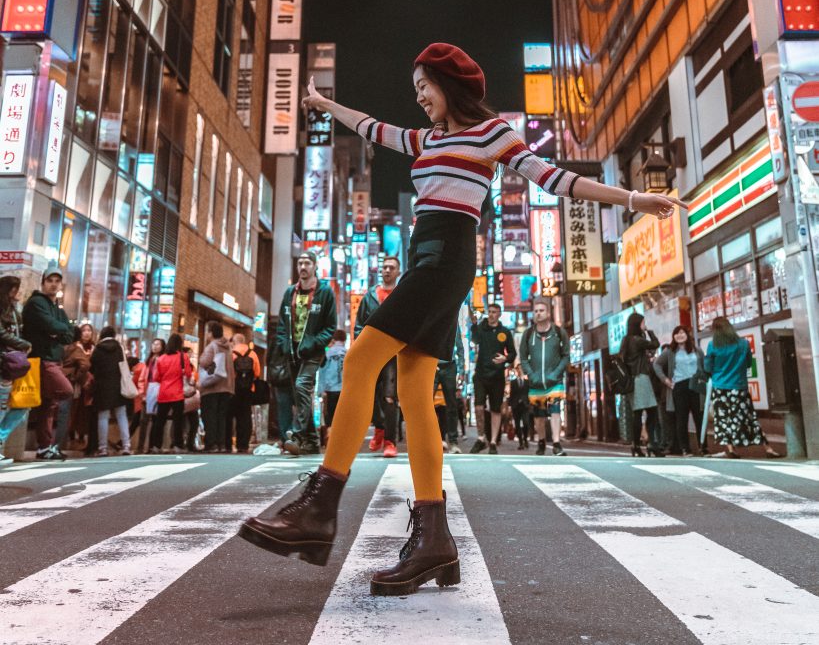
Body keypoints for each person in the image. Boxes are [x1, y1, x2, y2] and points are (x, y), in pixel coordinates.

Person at [239, 42, 685, 595]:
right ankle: (433, 540)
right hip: (425, 260)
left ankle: (319, 506)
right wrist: (325, 106)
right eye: (416, 89)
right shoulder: (427, 139)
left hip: (446, 260)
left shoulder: (492, 133)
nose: (419, 96)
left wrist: (633, 199)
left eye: (424, 84)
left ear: (449, 82)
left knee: (360, 360)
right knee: (414, 394)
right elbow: (374, 128)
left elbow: (554, 179)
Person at [276, 252, 337, 457]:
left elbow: (330, 327)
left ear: (315, 266)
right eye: (300, 263)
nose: (303, 266)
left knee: (302, 386)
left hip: (313, 352)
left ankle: (298, 435)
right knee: (300, 396)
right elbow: (282, 325)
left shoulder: (325, 292)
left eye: (307, 263)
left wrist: (314, 342)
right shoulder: (289, 293)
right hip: (292, 352)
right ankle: (312, 442)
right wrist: (283, 344)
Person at [704, 316, 781, 459]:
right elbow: (747, 364)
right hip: (739, 387)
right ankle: (768, 448)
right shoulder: (743, 344)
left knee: (723, 419)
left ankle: (731, 449)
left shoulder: (712, 345)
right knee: (750, 417)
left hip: (720, 387)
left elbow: (708, 367)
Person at [22, 268, 74, 460]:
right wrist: (57, 330)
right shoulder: (37, 303)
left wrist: (58, 331)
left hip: (53, 359)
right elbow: (54, 326)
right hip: (42, 359)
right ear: (43, 282)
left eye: (57, 281)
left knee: (49, 404)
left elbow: (69, 333)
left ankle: (45, 447)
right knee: (66, 391)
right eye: (50, 280)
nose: (53, 284)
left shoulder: (57, 308)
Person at [355, 257, 402, 458]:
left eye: (392, 268)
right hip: (371, 352)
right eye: (384, 267)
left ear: (398, 272)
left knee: (390, 397)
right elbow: (359, 325)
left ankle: (390, 441)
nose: (387, 270)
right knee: (370, 393)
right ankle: (380, 428)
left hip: (393, 353)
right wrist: (360, 345)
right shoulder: (369, 297)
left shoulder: (403, 296)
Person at [519, 297, 570, 456]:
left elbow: (566, 355)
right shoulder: (528, 334)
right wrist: (531, 375)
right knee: (539, 415)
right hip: (536, 382)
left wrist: (556, 373)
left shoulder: (559, 333)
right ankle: (541, 441)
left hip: (554, 381)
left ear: (548, 313)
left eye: (541, 310)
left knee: (555, 410)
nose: (538, 314)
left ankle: (556, 443)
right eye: (536, 311)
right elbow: (523, 358)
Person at [469, 301, 517, 455]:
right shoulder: (481, 329)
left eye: (494, 312)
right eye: (489, 311)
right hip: (481, 374)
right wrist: (475, 324)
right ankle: (481, 437)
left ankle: (494, 441)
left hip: (497, 376)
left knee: (496, 409)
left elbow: (512, 353)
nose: (491, 314)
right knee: (478, 406)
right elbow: (475, 340)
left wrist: (505, 358)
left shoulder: (505, 332)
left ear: (499, 314)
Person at [653, 325, 707, 456]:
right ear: (674, 337)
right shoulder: (670, 352)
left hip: (696, 385)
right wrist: (666, 380)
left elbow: (704, 367)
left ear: (687, 335)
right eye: (677, 333)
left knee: (699, 417)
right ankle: (685, 449)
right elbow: (656, 364)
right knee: (681, 419)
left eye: (682, 332)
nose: (680, 335)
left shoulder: (697, 350)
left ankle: (703, 447)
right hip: (679, 387)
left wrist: (704, 381)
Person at [620, 312, 664, 457]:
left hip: (632, 380)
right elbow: (656, 344)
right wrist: (649, 332)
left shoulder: (626, 340)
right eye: (643, 323)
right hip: (641, 379)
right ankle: (652, 444)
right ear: (638, 324)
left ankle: (637, 446)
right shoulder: (637, 340)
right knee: (651, 412)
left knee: (637, 413)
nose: (645, 325)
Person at [0, 275, 31, 463]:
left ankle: (0, 438)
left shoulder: (14, 310)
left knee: (22, 405)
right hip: (4, 361)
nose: (17, 293)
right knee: (2, 405)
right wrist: (23, 343)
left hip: (14, 363)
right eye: (14, 289)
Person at [90, 326, 132, 456]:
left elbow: (92, 367)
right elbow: (124, 366)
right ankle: (126, 446)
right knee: (121, 415)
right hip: (118, 385)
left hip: (102, 386)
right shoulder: (119, 348)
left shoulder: (97, 349)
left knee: (103, 416)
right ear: (114, 335)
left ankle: (102, 447)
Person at [149, 333, 191, 453]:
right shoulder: (183, 357)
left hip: (163, 393)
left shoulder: (161, 359)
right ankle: (178, 445)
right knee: (178, 421)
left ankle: (156, 446)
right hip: (177, 393)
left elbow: (156, 377)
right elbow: (188, 374)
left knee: (160, 421)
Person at [199, 321, 234, 453]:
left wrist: (200, 360)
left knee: (210, 416)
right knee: (221, 417)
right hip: (226, 387)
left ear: (211, 333)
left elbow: (204, 362)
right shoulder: (228, 347)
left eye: (208, 331)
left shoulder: (212, 346)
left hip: (212, 387)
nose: (207, 334)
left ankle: (211, 444)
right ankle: (221, 444)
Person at [62, 323, 95, 451]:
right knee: (72, 409)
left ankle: (81, 435)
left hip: (88, 385)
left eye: (89, 330)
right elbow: (84, 365)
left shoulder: (94, 347)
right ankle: (70, 435)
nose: (87, 333)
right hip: (76, 384)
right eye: (84, 330)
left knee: (84, 411)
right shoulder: (75, 347)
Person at [434, 323, 465, 454]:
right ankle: (429, 439)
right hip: (431, 364)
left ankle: (453, 441)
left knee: (452, 406)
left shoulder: (452, 320)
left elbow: (460, 347)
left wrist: (462, 370)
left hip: (449, 366)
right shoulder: (431, 317)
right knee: (425, 405)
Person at [227, 333, 259, 453]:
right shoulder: (253, 354)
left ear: (234, 341)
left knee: (230, 416)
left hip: (233, 389)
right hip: (248, 390)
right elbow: (257, 373)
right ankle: (243, 444)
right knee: (245, 417)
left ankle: (228, 443)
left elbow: (228, 372)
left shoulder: (231, 353)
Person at [136, 338, 165, 453]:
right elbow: (142, 379)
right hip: (147, 393)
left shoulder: (163, 359)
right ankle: (140, 447)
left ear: (163, 347)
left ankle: (152, 446)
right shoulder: (148, 362)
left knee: (156, 420)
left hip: (159, 392)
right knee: (143, 421)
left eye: (158, 344)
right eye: (153, 343)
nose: (155, 346)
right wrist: (142, 393)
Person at [318, 329, 346, 430]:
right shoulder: (348, 353)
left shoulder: (328, 353)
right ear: (344, 340)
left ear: (334, 339)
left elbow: (323, 371)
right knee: (342, 415)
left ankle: (330, 438)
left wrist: (321, 390)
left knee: (330, 414)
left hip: (330, 389)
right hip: (344, 389)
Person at [508, 364, 530, 450]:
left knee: (526, 423)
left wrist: (529, 403)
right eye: (519, 369)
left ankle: (525, 439)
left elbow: (529, 394)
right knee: (517, 424)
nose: (520, 370)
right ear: (516, 370)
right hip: (516, 406)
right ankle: (521, 442)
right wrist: (510, 406)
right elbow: (511, 394)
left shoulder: (527, 382)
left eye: (521, 368)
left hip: (525, 406)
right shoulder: (513, 382)